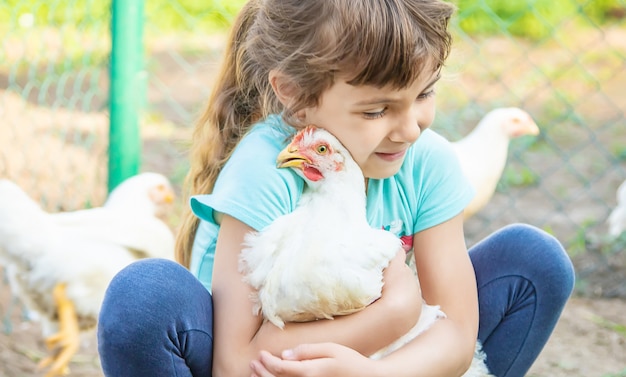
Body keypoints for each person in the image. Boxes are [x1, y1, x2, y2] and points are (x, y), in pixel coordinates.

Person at [97, 0, 575, 376]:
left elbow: (456, 337)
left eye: (424, 94)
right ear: (296, 96)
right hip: (265, 369)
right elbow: (237, 365)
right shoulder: (268, 171)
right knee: (144, 298)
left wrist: (372, 373)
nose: (410, 128)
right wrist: (397, 310)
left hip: (381, 361)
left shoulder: (426, 162)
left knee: (534, 262)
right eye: (375, 111)